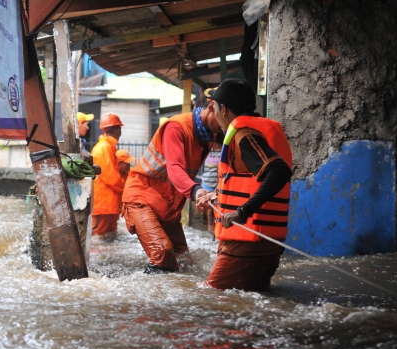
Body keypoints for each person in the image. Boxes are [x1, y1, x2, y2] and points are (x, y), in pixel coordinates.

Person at [196, 78, 293, 292]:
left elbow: (279, 170)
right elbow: (250, 180)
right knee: (247, 299)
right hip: (264, 242)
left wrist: (242, 211)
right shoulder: (253, 133)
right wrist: (217, 196)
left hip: (247, 243)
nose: (215, 113)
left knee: (214, 296)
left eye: (216, 107)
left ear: (225, 110)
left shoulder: (244, 135)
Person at [121, 99, 221, 274]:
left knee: (183, 259)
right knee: (162, 251)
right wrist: (197, 191)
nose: (225, 124)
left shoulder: (208, 137)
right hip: (142, 198)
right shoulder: (177, 127)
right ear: (213, 107)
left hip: (168, 205)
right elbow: (174, 169)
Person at [91, 113, 126, 238]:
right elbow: (111, 177)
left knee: (106, 239)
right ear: (117, 130)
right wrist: (127, 189)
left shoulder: (108, 147)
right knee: (97, 239)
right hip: (103, 204)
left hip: (108, 205)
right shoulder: (104, 148)